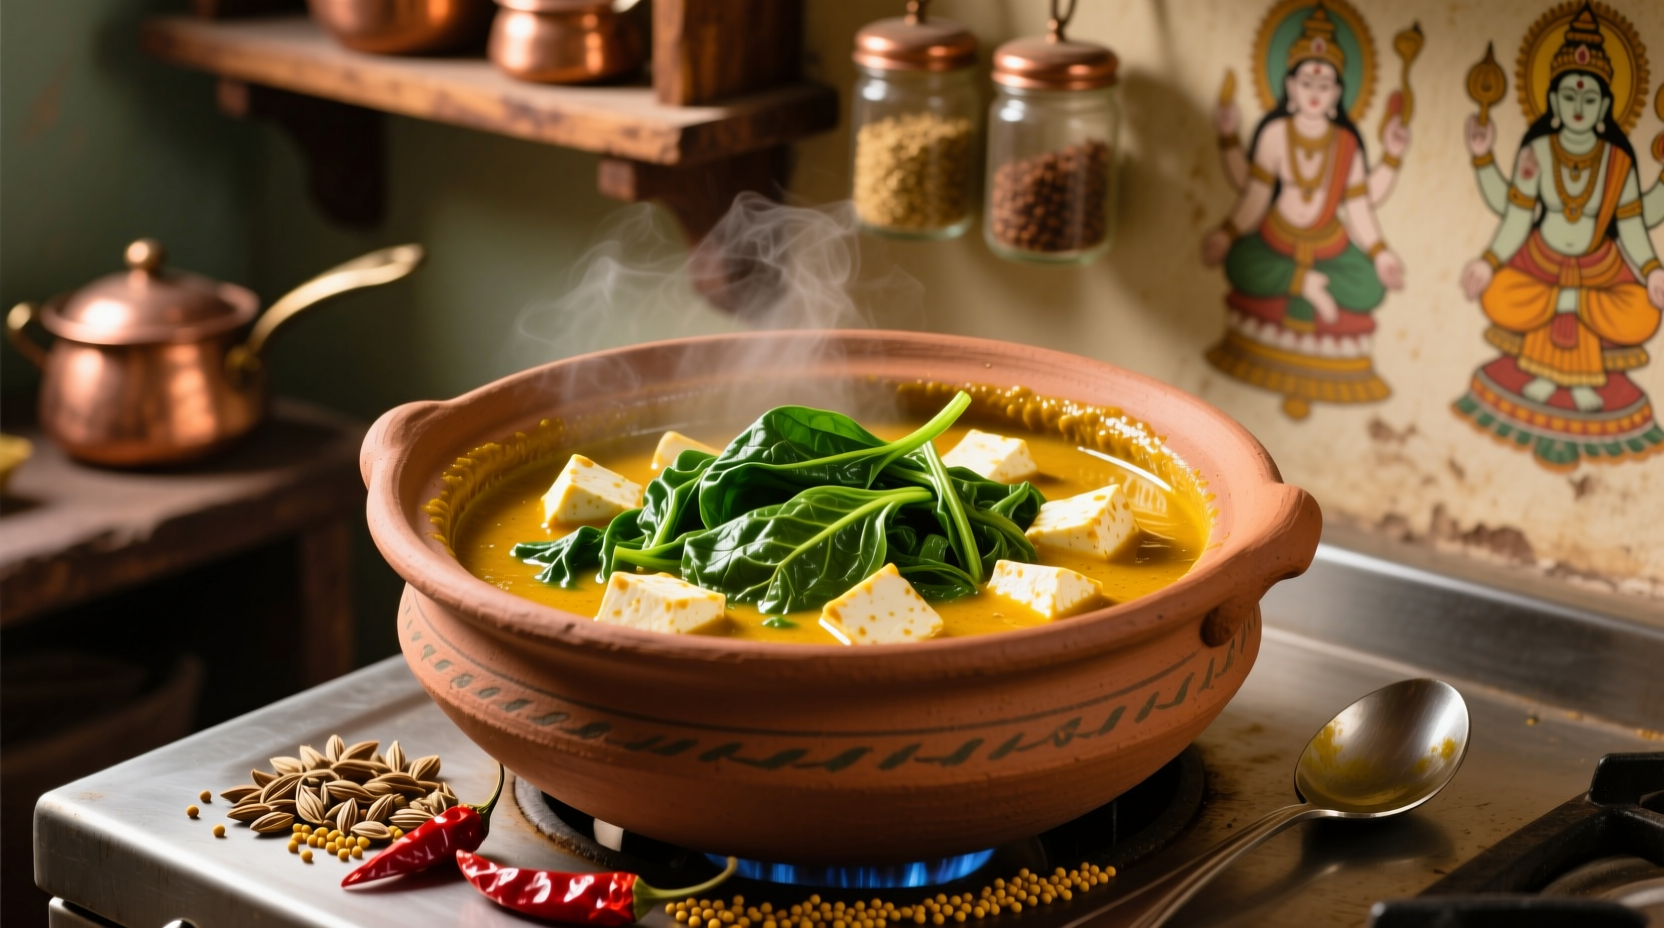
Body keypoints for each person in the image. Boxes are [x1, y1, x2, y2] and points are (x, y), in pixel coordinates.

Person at [1459, 4, 1663, 415]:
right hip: (1541, 262)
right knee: (1500, 293)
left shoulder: (1616, 162)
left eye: (1589, 97)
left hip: (1599, 269)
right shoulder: (1537, 152)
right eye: (1569, 94)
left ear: (1605, 106)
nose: (1578, 105)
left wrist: (1652, 271)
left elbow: (1634, 226)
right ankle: (1558, 343)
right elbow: (1515, 213)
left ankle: (1572, 351)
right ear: (1552, 100)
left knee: (1641, 311)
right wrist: (1489, 259)